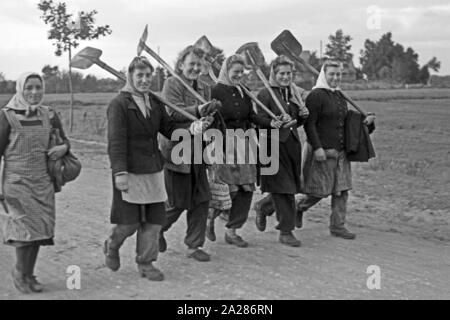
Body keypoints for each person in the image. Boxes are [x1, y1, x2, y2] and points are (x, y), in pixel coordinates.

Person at [103, 56, 211, 281]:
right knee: (129, 223)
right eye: (139, 75)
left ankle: (146, 262)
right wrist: (119, 172)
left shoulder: (154, 101)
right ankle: (112, 245)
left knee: (154, 221)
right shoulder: (119, 104)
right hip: (130, 171)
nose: (144, 80)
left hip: (153, 169)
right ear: (130, 76)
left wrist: (192, 128)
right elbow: (116, 141)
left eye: (148, 75)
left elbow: (169, 129)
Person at [0, 72, 70, 293]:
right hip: (16, 184)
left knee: (39, 231)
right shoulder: (7, 116)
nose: (34, 92)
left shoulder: (49, 115)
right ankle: (19, 274)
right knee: (22, 230)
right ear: (20, 89)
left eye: (38, 87)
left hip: (42, 183)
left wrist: (64, 148)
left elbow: (64, 141)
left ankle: (30, 275)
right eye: (28, 87)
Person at [159, 46, 220, 262]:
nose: (195, 67)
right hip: (177, 147)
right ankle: (155, 229)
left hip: (198, 149)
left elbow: (206, 116)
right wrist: (198, 111)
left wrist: (209, 116)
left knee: (202, 199)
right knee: (177, 201)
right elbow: (172, 112)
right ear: (181, 64)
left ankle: (194, 245)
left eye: (199, 64)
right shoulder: (172, 83)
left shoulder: (203, 87)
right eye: (191, 63)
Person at [207, 54, 272, 247]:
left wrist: (271, 123)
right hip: (222, 143)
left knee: (246, 188)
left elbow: (252, 116)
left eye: (241, 72)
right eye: (235, 72)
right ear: (226, 71)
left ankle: (231, 230)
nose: (238, 75)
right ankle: (210, 216)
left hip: (245, 144)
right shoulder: (214, 90)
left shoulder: (244, 91)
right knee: (228, 190)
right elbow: (208, 118)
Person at [297, 60, 363, 239]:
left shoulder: (340, 96)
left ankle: (337, 226)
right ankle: (298, 207)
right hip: (323, 151)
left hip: (341, 152)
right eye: (332, 74)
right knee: (319, 190)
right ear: (324, 75)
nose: (335, 78)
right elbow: (309, 125)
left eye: (338, 74)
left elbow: (345, 122)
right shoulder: (316, 96)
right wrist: (317, 148)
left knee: (342, 189)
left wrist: (365, 122)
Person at [255, 55, 309, 247]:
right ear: (274, 73)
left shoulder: (292, 94)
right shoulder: (265, 94)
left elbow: (296, 123)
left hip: (292, 145)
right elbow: (258, 121)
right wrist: (273, 122)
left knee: (289, 188)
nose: (286, 77)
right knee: (283, 189)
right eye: (282, 73)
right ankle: (285, 231)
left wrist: (302, 116)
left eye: (289, 73)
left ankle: (263, 206)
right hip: (272, 146)